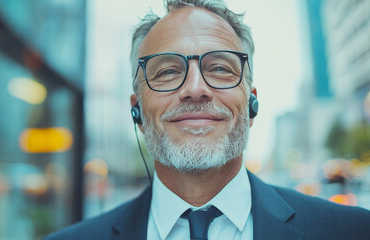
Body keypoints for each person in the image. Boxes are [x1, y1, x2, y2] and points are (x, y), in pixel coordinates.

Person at [45, 0, 370, 239]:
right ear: (138, 112)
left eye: (219, 68)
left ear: (251, 102)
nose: (196, 89)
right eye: (169, 71)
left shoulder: (354, 231)